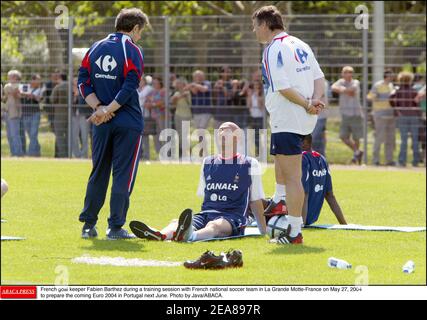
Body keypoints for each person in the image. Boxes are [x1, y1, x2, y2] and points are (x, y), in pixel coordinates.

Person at [252, 5, 325, 245]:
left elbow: (282, 87)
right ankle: (280, 198)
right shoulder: (300, 44)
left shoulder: (273, 49)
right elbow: (319, 78)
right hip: (303, 118)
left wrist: (306, 103)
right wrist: (316, 101)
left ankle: (294, 231)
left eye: (255, 26)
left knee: (294, 176)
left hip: (288, 117)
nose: (254, 31)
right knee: (282, 162)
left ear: (265, 25)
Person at [129, 122, 267, 242]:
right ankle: (161, 235)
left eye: (228, 130)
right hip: (206, 213)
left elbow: (255, 200)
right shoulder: (207, 162)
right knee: (176, 223)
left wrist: (263, 231)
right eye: (220, 130)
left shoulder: (250, 163)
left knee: (215, 226)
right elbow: (204, 196)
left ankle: (190, 236)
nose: (222, 132)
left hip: (232, 216)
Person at [77, 8, 148, 240]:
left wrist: (99, 108)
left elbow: (82, 81)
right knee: (122, 174)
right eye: (140, 32)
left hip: (101, 121)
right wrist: (108, 109)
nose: (140, 36)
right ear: (135, 28)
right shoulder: (133, 49)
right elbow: (130, 84)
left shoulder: (95, 47)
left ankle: (88, 225)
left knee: (98, 172)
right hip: (127, 120)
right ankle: (115, 227)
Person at [301, 135, 347, 225]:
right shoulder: (322, 159)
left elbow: (304, 194)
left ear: (304, 142)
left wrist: (301, 225)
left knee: (265, 204)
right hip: (310, 219)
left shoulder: (302, 158)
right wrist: (345, 225)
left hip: (298, 217)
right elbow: (330, 196)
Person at [332, 66, 364, 165]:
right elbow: (333, 87)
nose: (348, 74)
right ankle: (357, 152)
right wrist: (345, 90)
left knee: (356, 137)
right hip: (345, 113)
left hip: (356, 113)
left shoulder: (356, 82)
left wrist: (341, 90)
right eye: (346, 72)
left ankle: (356, 157)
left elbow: (352, 91)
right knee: (343, 136)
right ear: (342, 73)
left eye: (350, 72)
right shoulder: (340, 81)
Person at [390, 71, 421, 167]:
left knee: (404, 140)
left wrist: (396, 110)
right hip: (414, 115)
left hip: (402, 115)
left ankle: (402, 160)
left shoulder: (397, 91)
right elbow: (417, 103)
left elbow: (391, 99)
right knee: (415, 139)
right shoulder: (414, 91)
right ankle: (416, 160)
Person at [367, 69, 396, 166]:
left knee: (390, 139)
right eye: (391, 75)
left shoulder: (392, 86)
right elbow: (370, 97)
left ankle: (389, 160)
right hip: (380, 115)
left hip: (391, 115)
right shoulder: (378, 85)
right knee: (379, 138)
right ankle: (375, 160)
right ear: (387, 76)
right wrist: (379, 97)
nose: (393, 77)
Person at [2, 70, 24, 157]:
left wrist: (18, 91)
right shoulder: (8, 86)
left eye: (9, 76)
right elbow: (11, 91)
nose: (8, 78)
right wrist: (17, 91)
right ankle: (13, 153)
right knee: (9, 135)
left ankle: (18, 153)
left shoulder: (20, 86)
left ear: (15, 77)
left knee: (15, 134)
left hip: (15, 113)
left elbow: (19, 95)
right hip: (7, 112)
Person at [170, 77, 192, 157]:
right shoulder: (176, 93)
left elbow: (190, 102)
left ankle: (189, 153)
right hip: (177, 115)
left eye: (179, 83)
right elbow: (172, 102)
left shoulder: (188, 93)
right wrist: (178, 97)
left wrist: (180, 95)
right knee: (179, 134)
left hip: (186, 115)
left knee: (185, 135)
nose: (178, 85)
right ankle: (181, 153)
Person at [144, 77, 166, 155]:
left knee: (164, 135)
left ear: (160, 83)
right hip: (153, 117)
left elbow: (163, 103)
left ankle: (166, 153)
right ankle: (158, 153)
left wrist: (152, 104)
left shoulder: (164, 91)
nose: (154, 85)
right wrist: (155, 104)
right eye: (153, 83)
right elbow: (146, 103)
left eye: (156, 83)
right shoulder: (152, 92)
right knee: (156, 136)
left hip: (163, 116)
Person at [50, 73, 69, 158]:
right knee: (69, 135)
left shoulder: (57, 87)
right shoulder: (71, 86)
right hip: (70, 113)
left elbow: (52, 100)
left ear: (60, 78)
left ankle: (63, 154)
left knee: (59, 135)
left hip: (59, 113)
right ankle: (69, 154)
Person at [71, 77, 91, 158]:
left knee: (84, 136)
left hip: (84, 115)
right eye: (74, 83)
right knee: (73, 136)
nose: (75, 84)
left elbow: (89, 102)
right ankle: (76, 154)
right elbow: (70, 104)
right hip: (74, 116)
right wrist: (75, 96)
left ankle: (84, 154)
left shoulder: (85, 90)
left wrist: (79, 95)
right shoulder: (71, 92)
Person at [311, 79, 330, 156]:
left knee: (313, 138)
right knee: (318, 139)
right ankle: (320, 159)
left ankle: (320, 159)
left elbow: (319, 95)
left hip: (320, 115)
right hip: (312, 115)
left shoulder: (322, 82)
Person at [137, 75, 154, 160]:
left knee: (145, 135)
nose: (140, 82)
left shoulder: (148, 88)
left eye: (141, 80)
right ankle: (141, 154)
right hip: (137, 114)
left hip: (145, 114)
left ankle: (147, 155)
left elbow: (141, 97)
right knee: (139, 135)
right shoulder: (137, 89)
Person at [247, 79, 265, 155]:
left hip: (260, 117)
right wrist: (250, 96)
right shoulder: (252, 94)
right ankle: (259, 150)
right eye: (255, 86)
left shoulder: (262, 94)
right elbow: (249, 105)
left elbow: (261, 107)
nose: (256, 87)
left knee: (258, 134)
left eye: (257, 86)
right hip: (253, 117)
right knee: (254, 135)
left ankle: (260, 151)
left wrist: (258, 96)